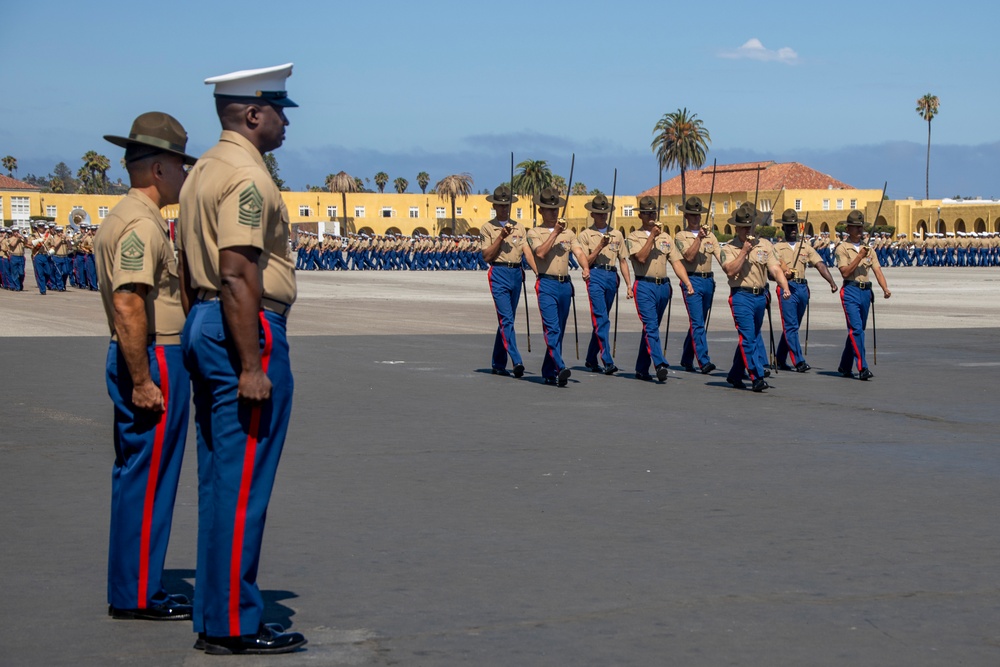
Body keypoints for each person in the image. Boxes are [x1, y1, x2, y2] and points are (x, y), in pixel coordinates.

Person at [176, 63, 307, 655]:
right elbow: (237, 270)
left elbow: (188, 268)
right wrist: (251, 363)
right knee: (243, 480)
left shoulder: (203, 169)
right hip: (244, 327)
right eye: (280, 111)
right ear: (254, 115)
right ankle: (233, 624)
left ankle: (216, 612)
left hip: (209, 321)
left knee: (220, 477)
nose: (284, 122)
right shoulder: (247, 177)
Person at [94, 111, 197, 622]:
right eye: (180, 165)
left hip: (150, 354)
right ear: (158, 169)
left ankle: (136, 584)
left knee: (140, 473)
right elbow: (130, 303)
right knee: (149, 476)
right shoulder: (140, 225)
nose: (184, 175)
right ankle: (136, 593)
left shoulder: (131, 217)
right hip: (154, 355)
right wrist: (142, 379)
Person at [719, 204, 792, 392]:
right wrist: (744, 251)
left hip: (760, 297)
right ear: (736, 228)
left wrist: (784, 287)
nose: (747, 231)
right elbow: (729, 270)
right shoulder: (729, 248)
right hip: (741, 296)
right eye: (743, 227)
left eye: (750, 227)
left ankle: (735, 373)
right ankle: (757, 375)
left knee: (749, 337)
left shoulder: (765, 245)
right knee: (748, 337)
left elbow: (775, 268)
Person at [526, 186, 589, 386]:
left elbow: (578, 252)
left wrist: (586, 267)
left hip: (564, 285)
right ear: (541, 211)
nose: (553, 213)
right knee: (552, 328)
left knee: (559, 330)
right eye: (549, 209)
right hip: (547, 284)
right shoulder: (535, 232)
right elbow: (540, 253)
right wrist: (554, 234)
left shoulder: (568, 234)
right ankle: (560, 366)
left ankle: (548, 370)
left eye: (556, 209)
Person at [626, 196, 694, 382]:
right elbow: (640, 258)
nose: (650, 216)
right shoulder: (633, 237)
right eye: (647, 213)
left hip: (663, 286)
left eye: (653, 212)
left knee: (651, 328)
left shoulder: (666, 238)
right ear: (640, 215)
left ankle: (641, 368)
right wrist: (651, 238)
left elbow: (676, 262)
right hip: (644, 285)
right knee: (651, 326)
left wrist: (687, 282)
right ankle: (660, 363)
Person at [771, 210, 839, 372]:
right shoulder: (776, 248)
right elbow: (770, 273)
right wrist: (783, 276)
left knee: (793, 326)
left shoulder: (805, 247)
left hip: (802, 289)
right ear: (784, 228)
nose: (793, 229)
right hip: (787, 287)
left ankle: (780, 359)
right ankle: (798, 361)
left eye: (794, 225)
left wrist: (831, 281)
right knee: (791, 325)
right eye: (789, 226)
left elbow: (819, 264)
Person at [480, 185, 536, 377]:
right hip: (499, 272)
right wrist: (501, 236)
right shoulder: (488, 227)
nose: (504, 208)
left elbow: (526, 251)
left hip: (516, 274)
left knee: (507, 320)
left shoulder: (519, 227)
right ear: (495, 206)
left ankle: (498, 362)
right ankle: (516, 360)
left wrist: (539, 273)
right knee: (507, 319)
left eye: (507, 205)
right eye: (501, 205)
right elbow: (486, 256)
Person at [577, 193, 632, 374]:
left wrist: (628, 284)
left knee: (602, 319)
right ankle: (606, 359)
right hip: (595, 275)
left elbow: (623, 260)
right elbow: (586, 261)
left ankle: (591, 357)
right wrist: (600, 245)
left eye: (605, 213)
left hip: (611, 275)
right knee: (602, 319)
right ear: (592, 214)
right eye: (599, 213)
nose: (602, 216)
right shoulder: (586, 235)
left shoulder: (616, 234)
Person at [835, 210, 891, 380]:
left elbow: (877, 270)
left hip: (866, 291)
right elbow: (845, 272)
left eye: (861, 227)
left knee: (857, 330)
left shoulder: (869, 249)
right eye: (856, 228)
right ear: (848, 229)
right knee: (857, 330)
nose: (860, 231)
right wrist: (859, 256)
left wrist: (885, 288)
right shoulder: (842, 248)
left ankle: (845, 365)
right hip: (851, 290)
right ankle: (862, 367)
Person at [674, 196, 721, 374]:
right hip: (691, 279)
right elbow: (688, 257)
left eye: (698, 215)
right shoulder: (681, 236)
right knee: (697, 322)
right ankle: (703, 360)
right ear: (686, 216)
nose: (696, 218)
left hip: (708, 281)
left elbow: (721, 257)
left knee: (698, 321)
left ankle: (687, 358)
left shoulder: (712, 236)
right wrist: (698, 239)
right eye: (693, 215)